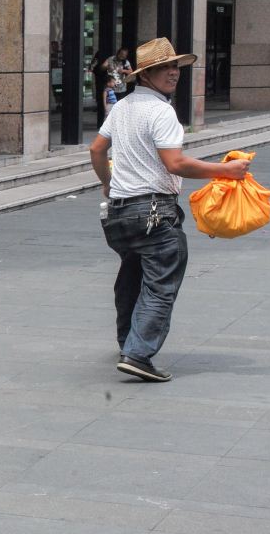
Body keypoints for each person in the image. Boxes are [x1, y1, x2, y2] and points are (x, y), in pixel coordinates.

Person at [88, 38, 249, 382]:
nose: (173, 72)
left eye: (176, 66)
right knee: (160, 284)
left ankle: (127, 344)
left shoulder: (123, 107)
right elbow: (175, 163)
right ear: (145, 75)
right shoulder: (162, 112)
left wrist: (107, 183)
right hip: (154, 211)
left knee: (130, 279)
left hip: (118, 214)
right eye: (164, 68)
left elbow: (97, 149)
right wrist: (226, 171)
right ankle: (138, 354)